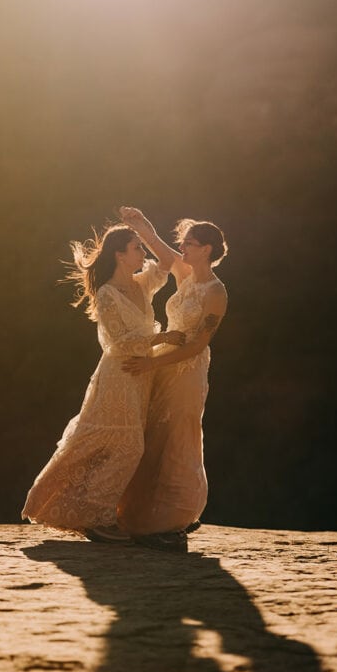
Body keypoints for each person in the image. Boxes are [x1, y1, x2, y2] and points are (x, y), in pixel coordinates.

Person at [21, 223, 185, 540]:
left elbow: (167, 262)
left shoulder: (141, 284)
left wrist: (142, 228)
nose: (142, 252)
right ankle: (96, 517)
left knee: (120, 445)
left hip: (141, 377)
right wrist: (163, 336)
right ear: (119, 255)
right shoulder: (107, 293)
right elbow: (120, 341)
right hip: (119, 375)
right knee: (126, 445)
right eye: (136, 247)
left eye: (141, 247)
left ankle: (95, 515)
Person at [117, 207, 228, 552]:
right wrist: (140, 224)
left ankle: (174, 518)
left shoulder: (215, 292)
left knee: (179, 436)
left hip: (187, 370)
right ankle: (140, 516)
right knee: (152, 434)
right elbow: (159, 247)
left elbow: (197, 344)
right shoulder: (185, 274)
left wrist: (151, 364)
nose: (183, 250)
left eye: (190, 244)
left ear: (207, 249)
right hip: (162, 364)